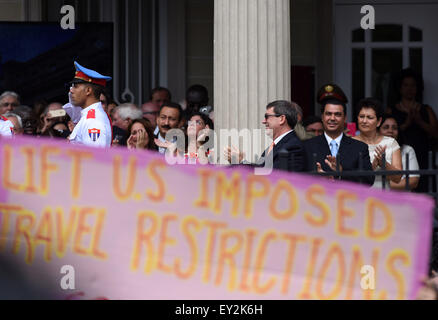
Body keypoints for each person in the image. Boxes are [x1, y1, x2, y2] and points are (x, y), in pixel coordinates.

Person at [304, 84, 375, 186]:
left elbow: (368, 181)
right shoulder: (307, 146)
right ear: (322, 117)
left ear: (345, 118)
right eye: (328, 114)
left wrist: (342, 172)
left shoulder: (359, 147)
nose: (332, 118)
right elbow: (295, 179)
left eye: (337, 114)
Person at [387, 68, 438, 193]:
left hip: (424, 157)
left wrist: (420, 121)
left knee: (426, 194)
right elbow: (386, 134)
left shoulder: (426, 110)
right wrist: (406, 123)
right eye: (406, 85)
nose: (409, 89)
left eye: (413, 85)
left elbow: (436, 133)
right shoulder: (392, 110)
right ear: (400, 88)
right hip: (400, 157)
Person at [225, 100, 306, 173]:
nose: (263, 121)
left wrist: (241, 162)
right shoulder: (276, 145)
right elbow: (261, 169)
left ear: (281, 119)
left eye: (267, 117)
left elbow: (273, 176)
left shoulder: (293, 146)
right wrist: (241, 161)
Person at [353, 98, 402, 189]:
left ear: (379, 121)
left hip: (383, 198)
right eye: (361, 116)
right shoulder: (349, 143)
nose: (364, 121)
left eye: (369, 117)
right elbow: (345, 178)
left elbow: (398, 178)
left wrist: (384, 164)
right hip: (358, 198)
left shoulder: (390, 143)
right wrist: (372, 167)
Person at [68, 61, 113, 148]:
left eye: (75, 86)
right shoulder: (90, 117)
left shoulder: (93, 120)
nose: (71, 90)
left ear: (88, 91)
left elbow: (95, 158)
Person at [379, 114, 420, 191]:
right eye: (386, 127)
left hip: (402, 200)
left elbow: (413, 181)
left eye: (394, 128)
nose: (390, 131)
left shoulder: (407, 150)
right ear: (378, 131)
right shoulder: (369, 149)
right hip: (375, 201)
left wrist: (380, 186)